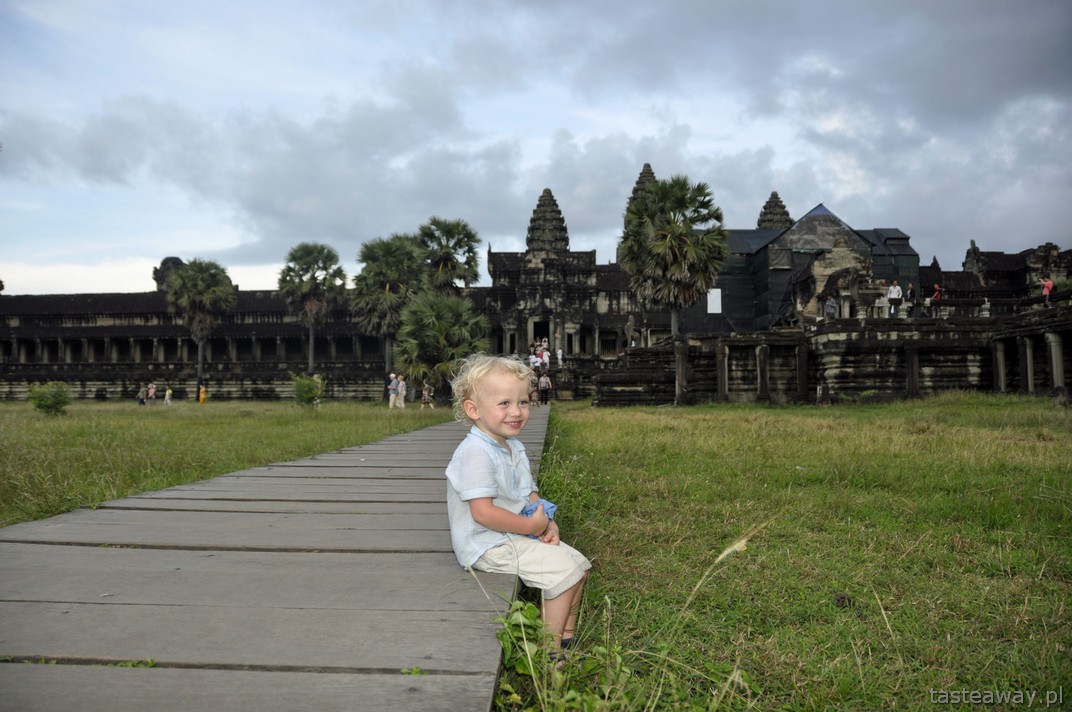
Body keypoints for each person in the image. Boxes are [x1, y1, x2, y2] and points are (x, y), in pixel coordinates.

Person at [445, 353, 589, 653]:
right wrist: (529, 525)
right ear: (473, 410)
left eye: (523, 402)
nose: (517, 412)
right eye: (504, 404)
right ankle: (549, 652)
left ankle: (566, 637)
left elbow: (528, 493)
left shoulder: (513, 447)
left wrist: (545, 521)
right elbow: (482, 513)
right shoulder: (475, 453)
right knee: (564, 573)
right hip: (485, 544)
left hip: (512, 532)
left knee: (579, 566)